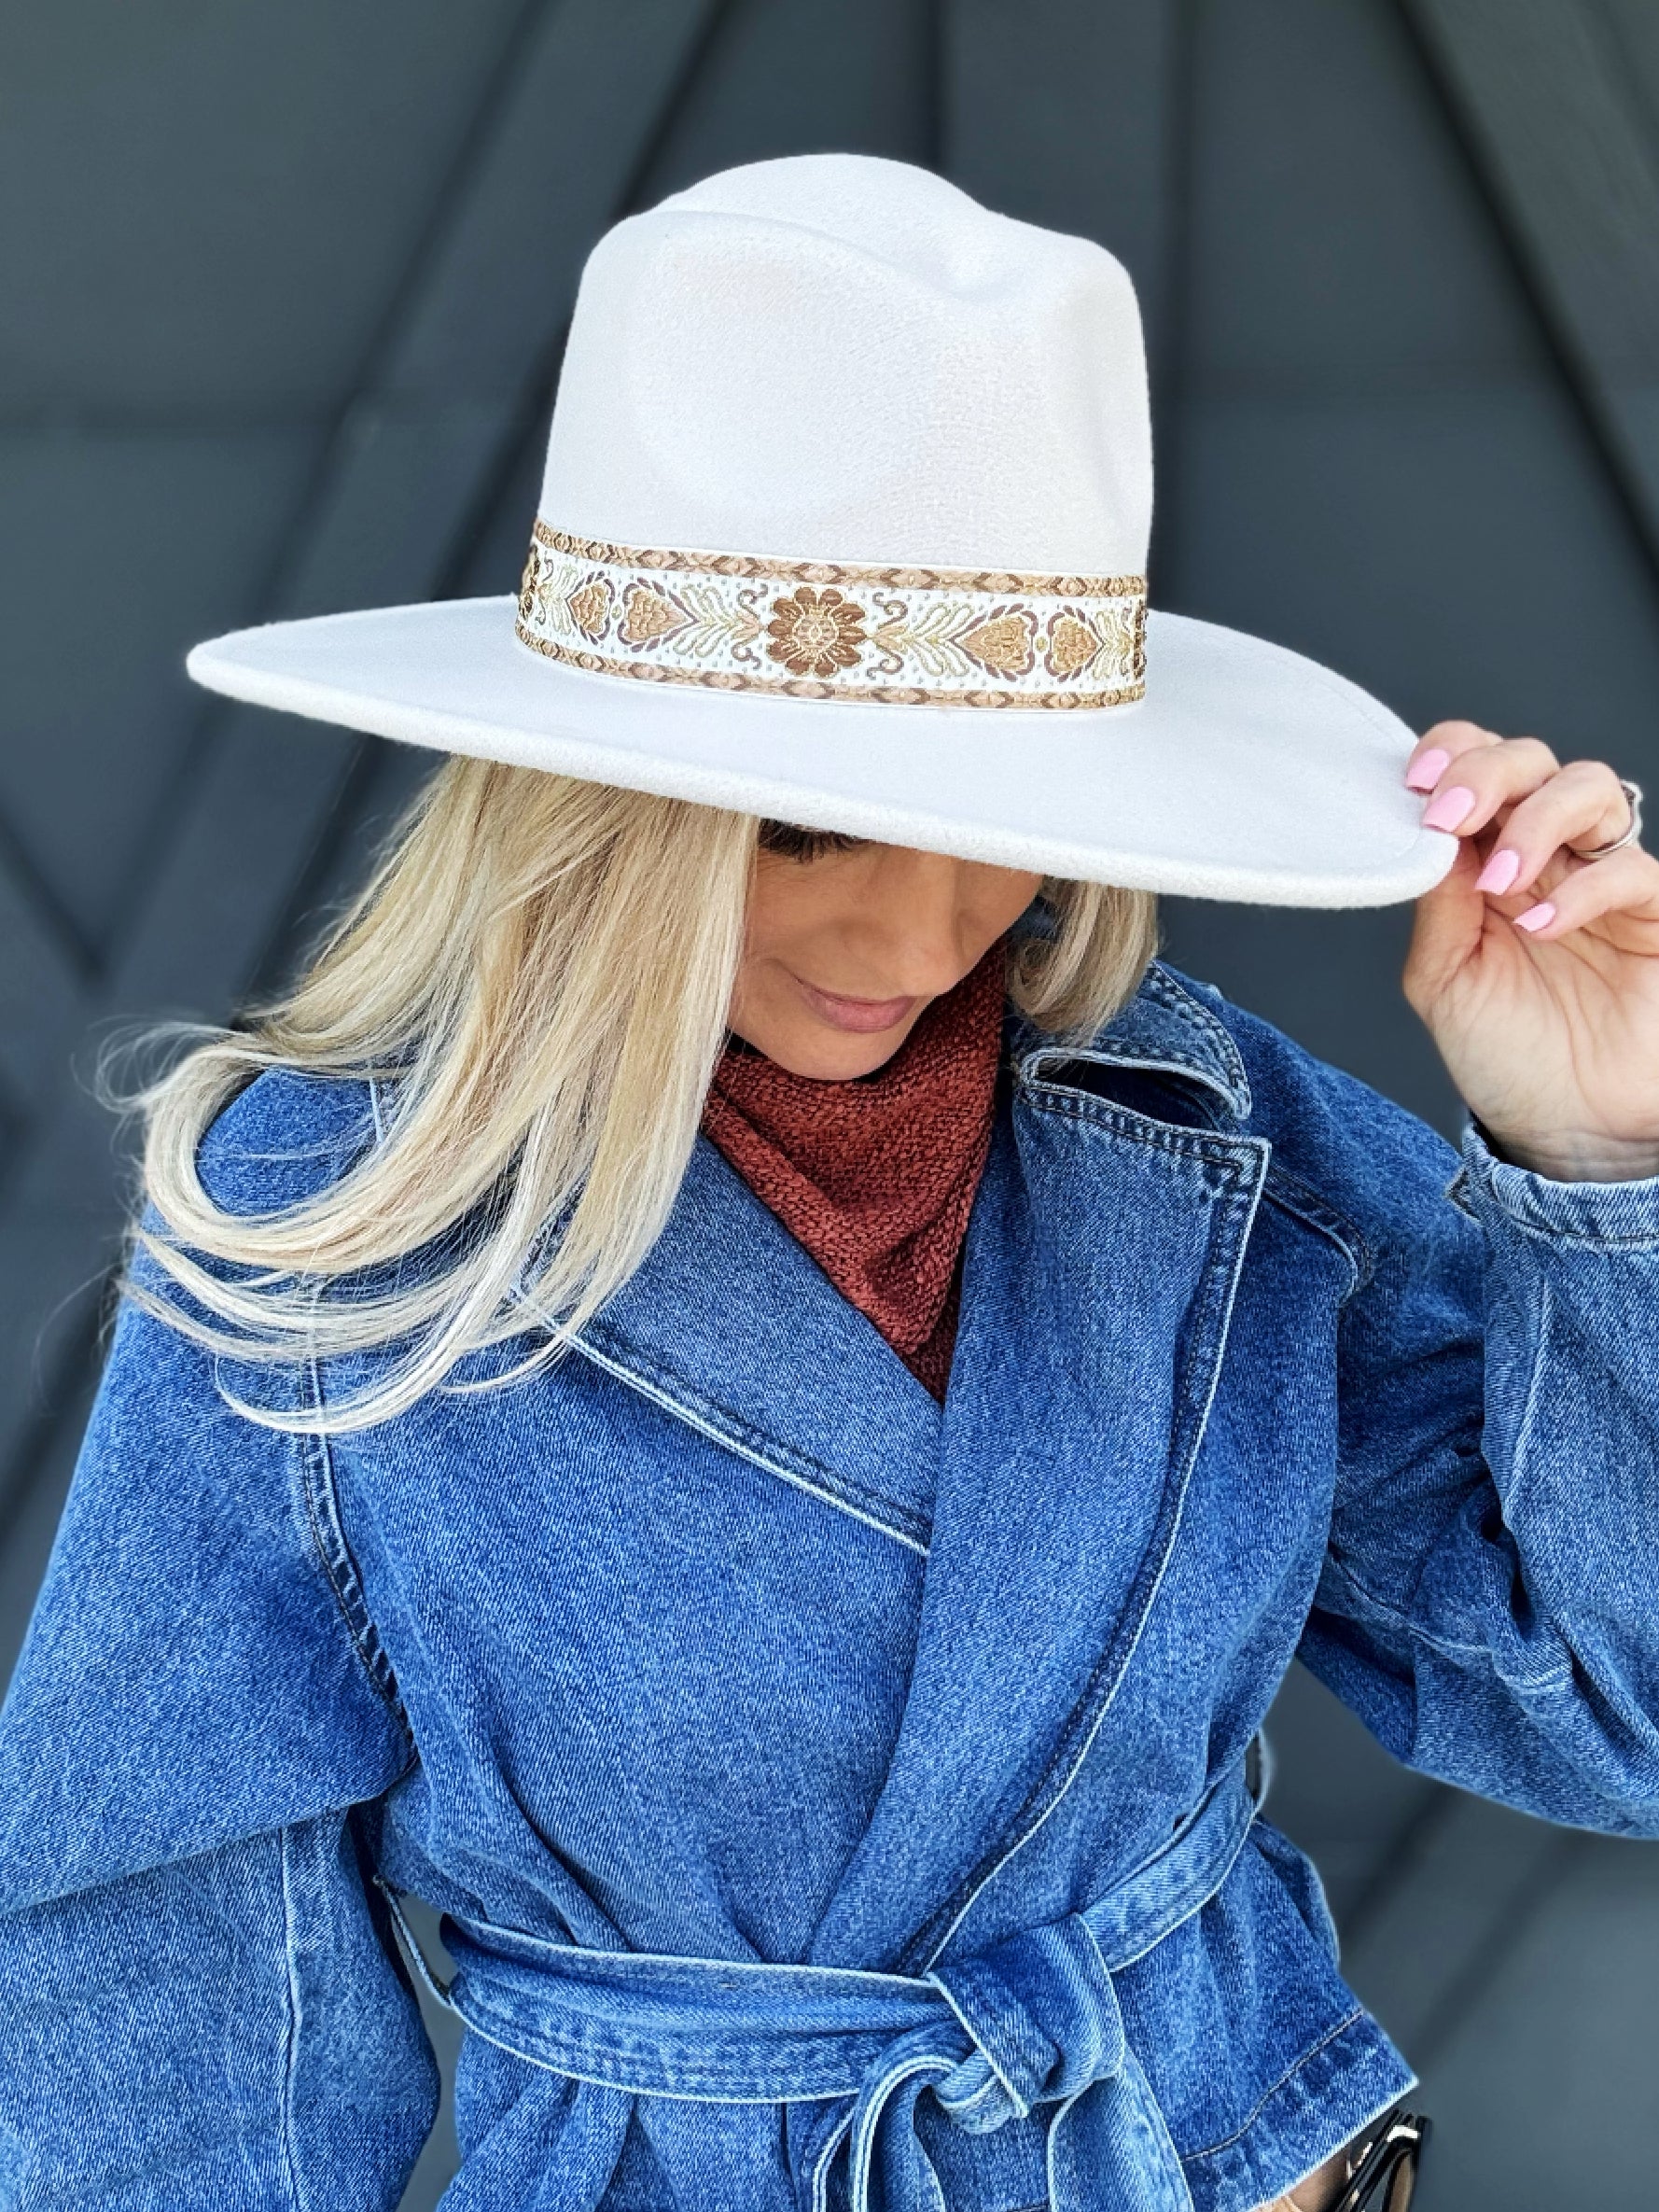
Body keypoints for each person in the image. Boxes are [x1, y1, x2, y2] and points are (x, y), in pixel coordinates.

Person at [2, 152, 1657, 2212]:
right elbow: (163, 1983)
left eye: (996, 819)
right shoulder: (346, 1223)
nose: (912, 942)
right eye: (800, 830)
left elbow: (1617, 1705)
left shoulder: (1202, 1135)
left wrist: (1601, 1166)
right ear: (592, 804)